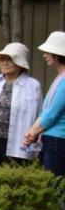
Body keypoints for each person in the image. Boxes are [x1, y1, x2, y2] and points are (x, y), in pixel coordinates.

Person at [0, 43, 41, 166]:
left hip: (17, 141)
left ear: (20, 63)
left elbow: (38, 114)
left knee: (13, 177)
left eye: (10, 59)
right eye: (2, 59)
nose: (5, 63)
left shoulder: (32, 85)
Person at [24, 31, 65, 177]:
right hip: (52, 139)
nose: (44, 55)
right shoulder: (59, 77)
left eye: (48, 52)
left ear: (58, 54)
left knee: (56, 189)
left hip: (58, 141)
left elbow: (52, 113)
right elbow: (47, 110)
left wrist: (33, 132)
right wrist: (33, 130)